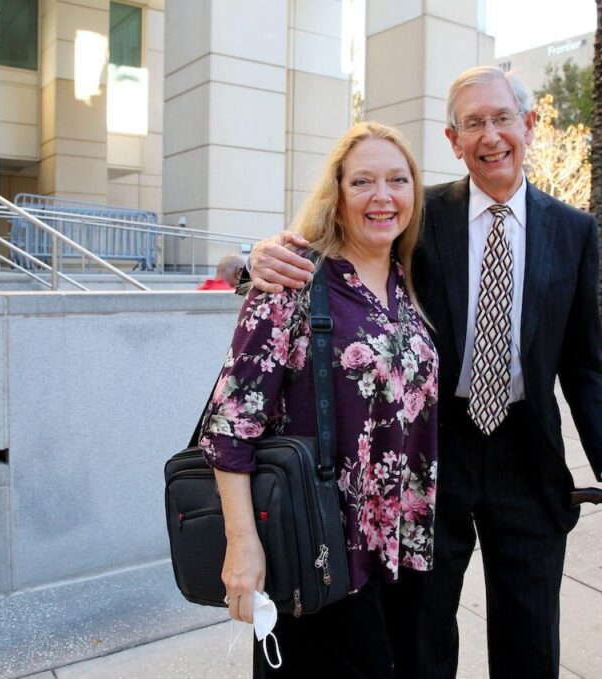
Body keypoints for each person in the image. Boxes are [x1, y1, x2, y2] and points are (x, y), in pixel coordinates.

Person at [246, 66, 602, 678]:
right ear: (453, 139)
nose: (490, 136)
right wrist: (255, 258)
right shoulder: (419, 214)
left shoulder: (574, 231)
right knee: (422, 627)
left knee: (530, 633)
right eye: (473, 124)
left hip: (528, 453)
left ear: (530, 125)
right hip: (433, 447)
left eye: (501, 119)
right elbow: (339, 245)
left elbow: (582, 367)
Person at [198, 121, 439, 678]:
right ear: (338, 195)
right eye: (364, 182)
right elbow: (232, 423)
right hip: (320, 548)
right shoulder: (295, 281)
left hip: (402, 553)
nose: (383, 196)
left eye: (398, 180)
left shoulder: (408, 281)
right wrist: (242, 546)